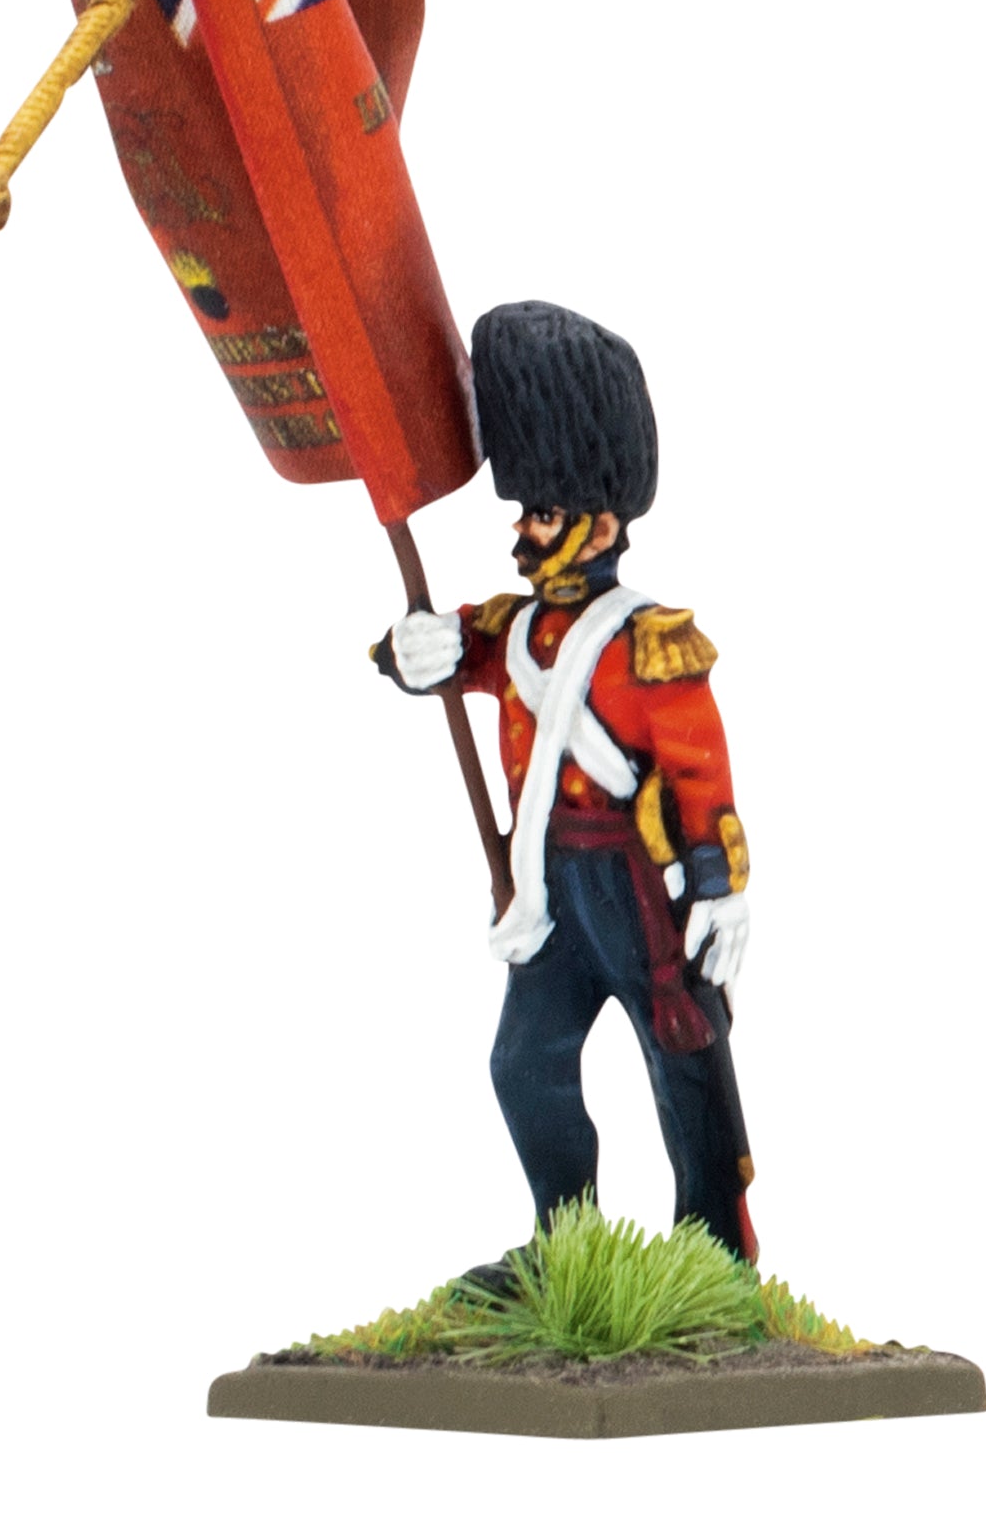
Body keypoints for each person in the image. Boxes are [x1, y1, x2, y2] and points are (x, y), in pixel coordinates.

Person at [373, 301, 758, 1263]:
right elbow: (440, 653)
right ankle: (565, 1241)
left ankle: (716, 1252)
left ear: (598, 525)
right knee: (522, 1064)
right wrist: (413, 651)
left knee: (685, 1062)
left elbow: (699, 771)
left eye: (540, 514)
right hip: (550, 889)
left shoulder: (651, 642)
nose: (521, 533)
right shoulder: (510, 630)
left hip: (637, 888)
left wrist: (720, 888)